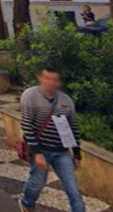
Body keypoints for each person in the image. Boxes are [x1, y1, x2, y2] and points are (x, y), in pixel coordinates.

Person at [19, 67, 85, 212]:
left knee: (73, 189)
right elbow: (26, 124)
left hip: (61, 151)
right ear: (40, 79)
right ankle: (27, 203)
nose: (51, 82)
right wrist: (37, 153)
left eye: (54, 79)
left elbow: (72, 127)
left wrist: (76, 153)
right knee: (37, 183)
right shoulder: (30, 95)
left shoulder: (66, 100)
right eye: (47, 78)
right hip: (40, 148)